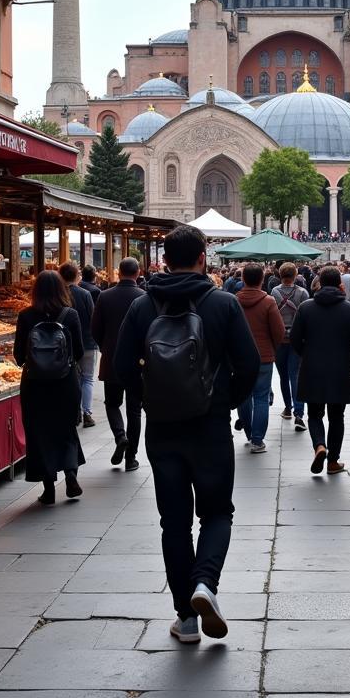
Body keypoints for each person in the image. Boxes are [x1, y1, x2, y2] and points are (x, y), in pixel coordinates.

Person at [115, 225, 259, 644]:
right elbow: (248, 364)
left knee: (173, 523)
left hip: (163, 429)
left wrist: (148, 399)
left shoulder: (143, 307)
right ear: (202, 257)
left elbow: (122, 367)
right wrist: (226, 402)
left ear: (164, 257)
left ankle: (187, 617)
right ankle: (205, 585)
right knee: (217, 512)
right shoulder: (222, 304)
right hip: (210, 426)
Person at [15, 270, 86, 505]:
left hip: (34, 385)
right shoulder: (70, 315)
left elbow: (18, 356)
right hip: (65, 383)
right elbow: (78, 352)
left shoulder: (25, 316)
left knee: (39, 433)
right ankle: (71, 474)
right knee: (66, 429)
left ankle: (48, 488)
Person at [290, 266, 350, 475]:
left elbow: (295, 340)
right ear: (339, 284)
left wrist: (306, 354)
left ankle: (319, 445)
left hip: (312, 367)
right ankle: (333, 461)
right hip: (340, 368)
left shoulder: (306, 308)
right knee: (337, 416)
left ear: (319, 283)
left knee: (314, 414)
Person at [91, 258, 144, 471]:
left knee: (112, 403)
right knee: (135, 410)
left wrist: (105, 347)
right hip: (137, 362)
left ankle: (120, 436)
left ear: (119, 272)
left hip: (112, 358)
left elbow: (95, 329)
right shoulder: (143, 297)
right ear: (138, 272)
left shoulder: (104, 296)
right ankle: (131, 457)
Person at [235, 264, 286, 453]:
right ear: (262, 280)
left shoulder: (234, 300)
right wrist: (272, 347)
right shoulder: (268, 301)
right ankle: (257, 439)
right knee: (261, 397)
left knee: (244, 396)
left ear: (243, 279)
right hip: (263, 356)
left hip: (240, 357)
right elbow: (279, 331)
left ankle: (249, 433)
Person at [272, 262, 310, 429]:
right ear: (295, 275)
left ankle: (288, 407)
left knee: (283, 375)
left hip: (279, 339)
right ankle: (299, 413)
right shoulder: (302, 293)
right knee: (295, 375)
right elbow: (306, 317)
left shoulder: (274, 292)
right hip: (296, 339)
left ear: (280, 275)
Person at [60, 262, 98, 427]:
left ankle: (73, 412)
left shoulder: (57, 295)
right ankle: (87, 412)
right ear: (77, 276)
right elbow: (93, 318)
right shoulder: (85, 294)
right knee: (88, 378)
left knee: (70, 378)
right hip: (87, 342)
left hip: (64, 345)